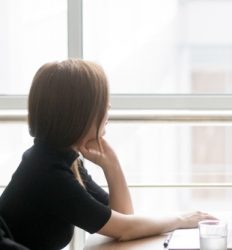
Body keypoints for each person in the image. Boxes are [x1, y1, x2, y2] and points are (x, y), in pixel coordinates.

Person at [0, 59, 215, 249]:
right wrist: (182, 219)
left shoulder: (60, 158)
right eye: (101, 103)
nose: (108, 107)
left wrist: (112, 166)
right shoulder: (48, 171)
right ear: (78, 113)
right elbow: (125, 228)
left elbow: (123, 219)